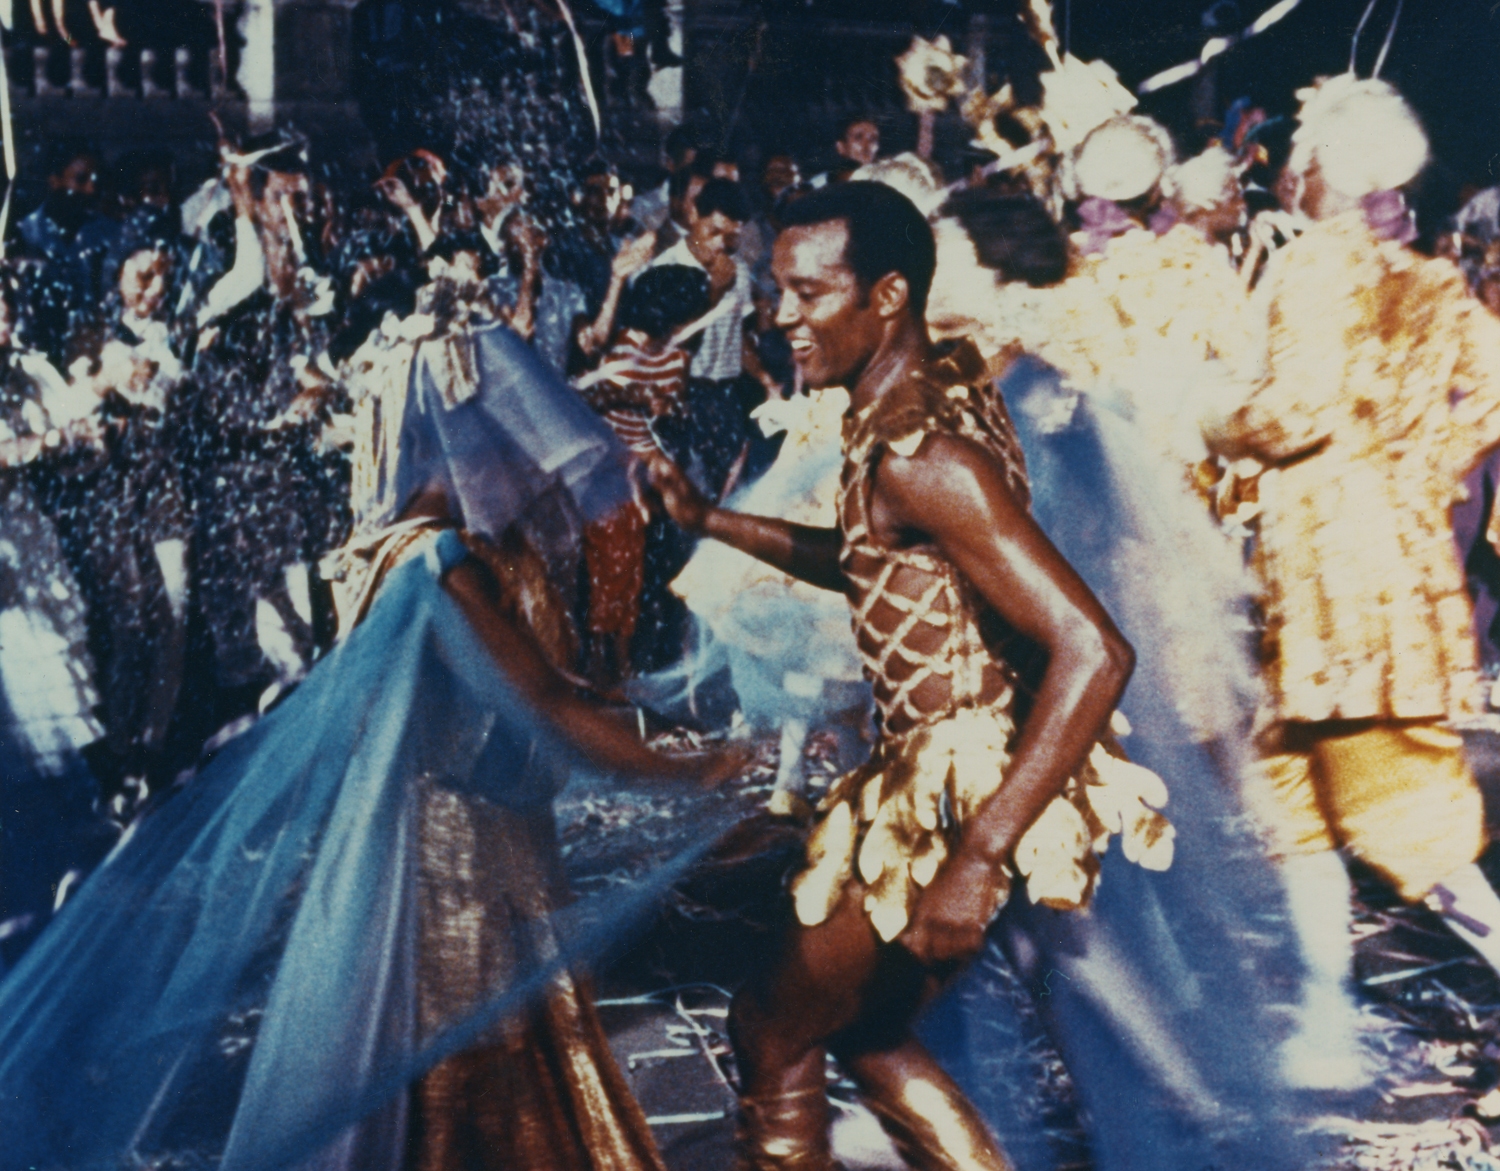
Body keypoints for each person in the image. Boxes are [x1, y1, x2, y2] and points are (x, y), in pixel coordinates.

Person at [0, 305, 746, 1170]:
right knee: (471, 1090)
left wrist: (652, 718)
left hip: (462, 849)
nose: (527, 455)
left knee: (458, 1082)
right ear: (464, 438)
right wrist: (700, 770)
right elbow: (548, 706)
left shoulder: (390, 550)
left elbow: (548, 688)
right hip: (461, 871)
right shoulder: (444, 567)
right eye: (508, 431)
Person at [649, 181, 1170, 1169]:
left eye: (809, 293)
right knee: (864, 1029)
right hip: (944, 773)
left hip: (952, 791)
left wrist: (979, 856)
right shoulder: (914, 405)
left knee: (771, 1028)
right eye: (778, 290)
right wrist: (714, 521)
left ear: (886, 296)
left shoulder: (921, 452)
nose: (782, 316)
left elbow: (1095, 649)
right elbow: (872, 557)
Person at [1204, 75, 1500, 1090]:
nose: (1292, 163)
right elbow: (1490, 391)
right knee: (1300, 816)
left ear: (1332, 161)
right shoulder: (1431, 280)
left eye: (1304, 147)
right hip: (1365, 575)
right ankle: (1327, 1025)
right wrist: (1425, 470)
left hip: (1339, 592)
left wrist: (1204, 413)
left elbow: (1293, 412)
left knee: (1408, 830)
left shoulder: (1317, 265)